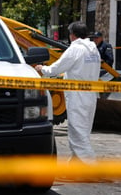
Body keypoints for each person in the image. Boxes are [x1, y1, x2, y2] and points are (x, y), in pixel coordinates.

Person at [35, 21, 101, 165]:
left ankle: (91, 168)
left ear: (72, 35)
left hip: (78, 96)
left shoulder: (75, 49)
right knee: (83, 131)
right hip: (91, 95)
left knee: (78, 133)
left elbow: (57, 68)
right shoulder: (93, 49)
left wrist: (42, 69)